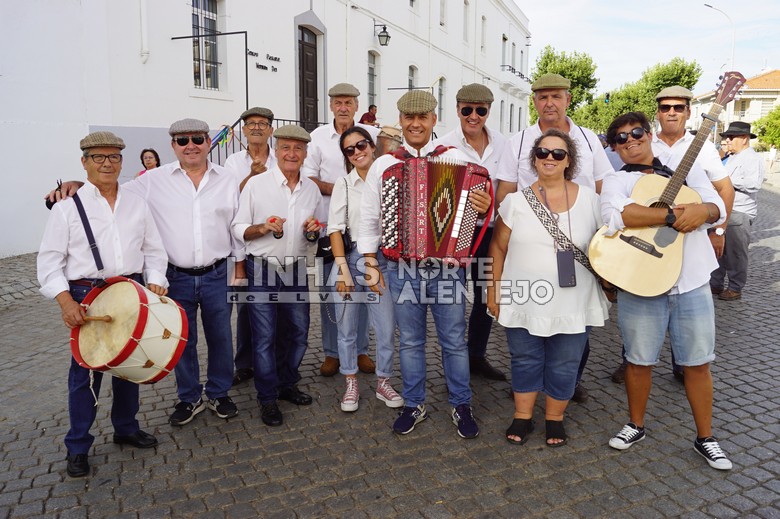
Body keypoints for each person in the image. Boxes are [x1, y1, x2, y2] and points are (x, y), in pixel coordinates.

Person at [48, 119, 244, 427]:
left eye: (197, 138)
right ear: (173, 145)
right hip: (175, 276)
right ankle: (189, 397)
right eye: (182, 140)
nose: (190, 145)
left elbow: (237, 224)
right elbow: (107, 188)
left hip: (217, 273)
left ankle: (220, 393)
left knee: (221, 336)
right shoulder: (152, 180)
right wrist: (76, 183)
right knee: (182, 339)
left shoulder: (228, 179)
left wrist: (240, 267)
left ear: (209, 142)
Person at [602, 111, 732, 471]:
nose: (630, 141)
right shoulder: (617, 179)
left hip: (691, 280)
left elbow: (717, 206)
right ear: (614, 148)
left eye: (636, 133)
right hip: (640, 279)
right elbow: (616, 216)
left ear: (649, 135)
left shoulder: (684, 171)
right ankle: (635, 424)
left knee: (698, 363)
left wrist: (705, 210)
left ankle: (706, 437)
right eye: (621, 139)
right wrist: (673, 216)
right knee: (638, 360)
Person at [358, 90, 492, 438]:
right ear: (401, 121)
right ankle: (414, 403)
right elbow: (369, 217)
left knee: (454, 340)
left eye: (422, 118)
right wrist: (370, 261)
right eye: (409, 118)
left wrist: (482, 207)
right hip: (402, 269)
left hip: (448, 268)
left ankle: (461, 404)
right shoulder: (384, 165)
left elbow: (474, 217)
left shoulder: (458, 159)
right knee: (410, 341)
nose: (415, 124)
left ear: (434, 120)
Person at [37, 131, 168, 477]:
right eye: (98, 157)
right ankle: (78, 445)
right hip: (86, 296)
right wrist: (66, 302)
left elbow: (154, 250)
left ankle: (126, 428)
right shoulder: (67, 208)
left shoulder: (137, 203)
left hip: (130, 290)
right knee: (85, 374)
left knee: (128, 366)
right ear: (84, 162)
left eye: (114, 157)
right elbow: (49, 263)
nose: (107, 163)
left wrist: (156, 278)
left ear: (122, 162)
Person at [495, 73, 613, 403]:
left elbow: (604, 188)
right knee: (527, 324)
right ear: (534, 101)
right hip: (530, 242)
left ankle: (568, 381)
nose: (549, 103)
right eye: (542, 97)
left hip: (578, 245)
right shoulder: (518, 141)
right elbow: (505, 191)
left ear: (567, 100)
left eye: (556, 96)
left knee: (575, 322)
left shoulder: (589, 140)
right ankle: (528, 386)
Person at [487, 129, 609, 446]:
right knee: (524, 358)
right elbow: (497, 248)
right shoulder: (514, 202)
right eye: (542, 152)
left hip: (574, 299)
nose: (549, 158)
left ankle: (555, 418)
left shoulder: (592, 201)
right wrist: (492, 290)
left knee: (566, 361)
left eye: (558, 153)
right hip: (523, 296)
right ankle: (522, 416)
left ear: (569, 161)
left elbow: (607, 245)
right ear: (534, 160)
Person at [611, 85, 736, 384]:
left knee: (695, 357)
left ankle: (684, 364)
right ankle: (635, 359)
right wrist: (669, 215)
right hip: (645, 251)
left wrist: (717, 227)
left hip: (688, 259)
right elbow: (618, 207)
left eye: (678, 107)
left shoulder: (701, 147)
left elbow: (722, 192)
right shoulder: (637, 151)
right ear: (657, 113)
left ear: (688, 112)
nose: (671, 112)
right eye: (665, 107)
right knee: (639, 342)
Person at [231, 125, 322, 426]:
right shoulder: (257, 185)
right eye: (285, 147)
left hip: (295, 270)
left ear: (305, 154)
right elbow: (237, 228)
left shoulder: (311, 189)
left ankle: (287, 383)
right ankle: (267, 397)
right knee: (265, 336)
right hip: (262, 269)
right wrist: (262, 228)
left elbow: (315, 234)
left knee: (297, 332)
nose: (291, 154)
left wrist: (313, 232)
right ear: (277, 149)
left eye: (298, 148)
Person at [301, 83, 379, 377]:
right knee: (330, 293)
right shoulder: (318, 137)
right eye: (338, 102)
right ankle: (332, 352)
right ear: (331, 105)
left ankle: (361, 350)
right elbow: (309, 178)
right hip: (329, 229)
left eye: (348, 102)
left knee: (363, 294)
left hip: (363, 230)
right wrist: (342, 189)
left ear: (357, 106)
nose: (343, 107)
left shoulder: (368, 135)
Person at [432, 83, 507, 381]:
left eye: (480, 110)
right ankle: (455, 361)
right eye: (467, 110)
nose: (473, 116)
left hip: (489, 232)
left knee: (485, 294)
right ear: (457, 109)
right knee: (452, 297)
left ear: (488, 111)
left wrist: (491, 206)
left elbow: (509, 188)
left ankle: (476, 355)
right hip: (453, 235)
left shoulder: (503, 144)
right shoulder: (443, 146)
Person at [328, 126, 403, 412]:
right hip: (350, 259)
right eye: (350, 150)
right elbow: (335, 229)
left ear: (372, 146)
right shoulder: (344, 185)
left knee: (385, 328)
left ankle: (384, 381)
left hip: (383, 260)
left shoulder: (390, 178)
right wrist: (342, 270)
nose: (357, 152)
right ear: (346, 156)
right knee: (347, 329)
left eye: (361, 145)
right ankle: (350, 382)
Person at [223, 106, 278, 386]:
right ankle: (244, 364)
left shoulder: (281, 158)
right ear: (244, 130)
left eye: (262, 123)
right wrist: (251, 177)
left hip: (276, 245)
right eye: (251, 123)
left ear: (270, 129)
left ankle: (275, 363)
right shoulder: (233, 162)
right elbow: (229, 200)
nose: (257, 127)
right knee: (245, 309)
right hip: (244, 246)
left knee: (279, 308)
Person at [710, 122, 766, 301]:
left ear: (744, 139)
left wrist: (727, 182)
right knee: (718, 249)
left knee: (735, 253)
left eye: (731, 137)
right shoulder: (732, 157)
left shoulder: (753, 158)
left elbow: (754, 184)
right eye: (727, 137)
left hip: (740, 211)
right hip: (724, 208)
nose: (728, 140)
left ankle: (735, 287)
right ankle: (715, 283)